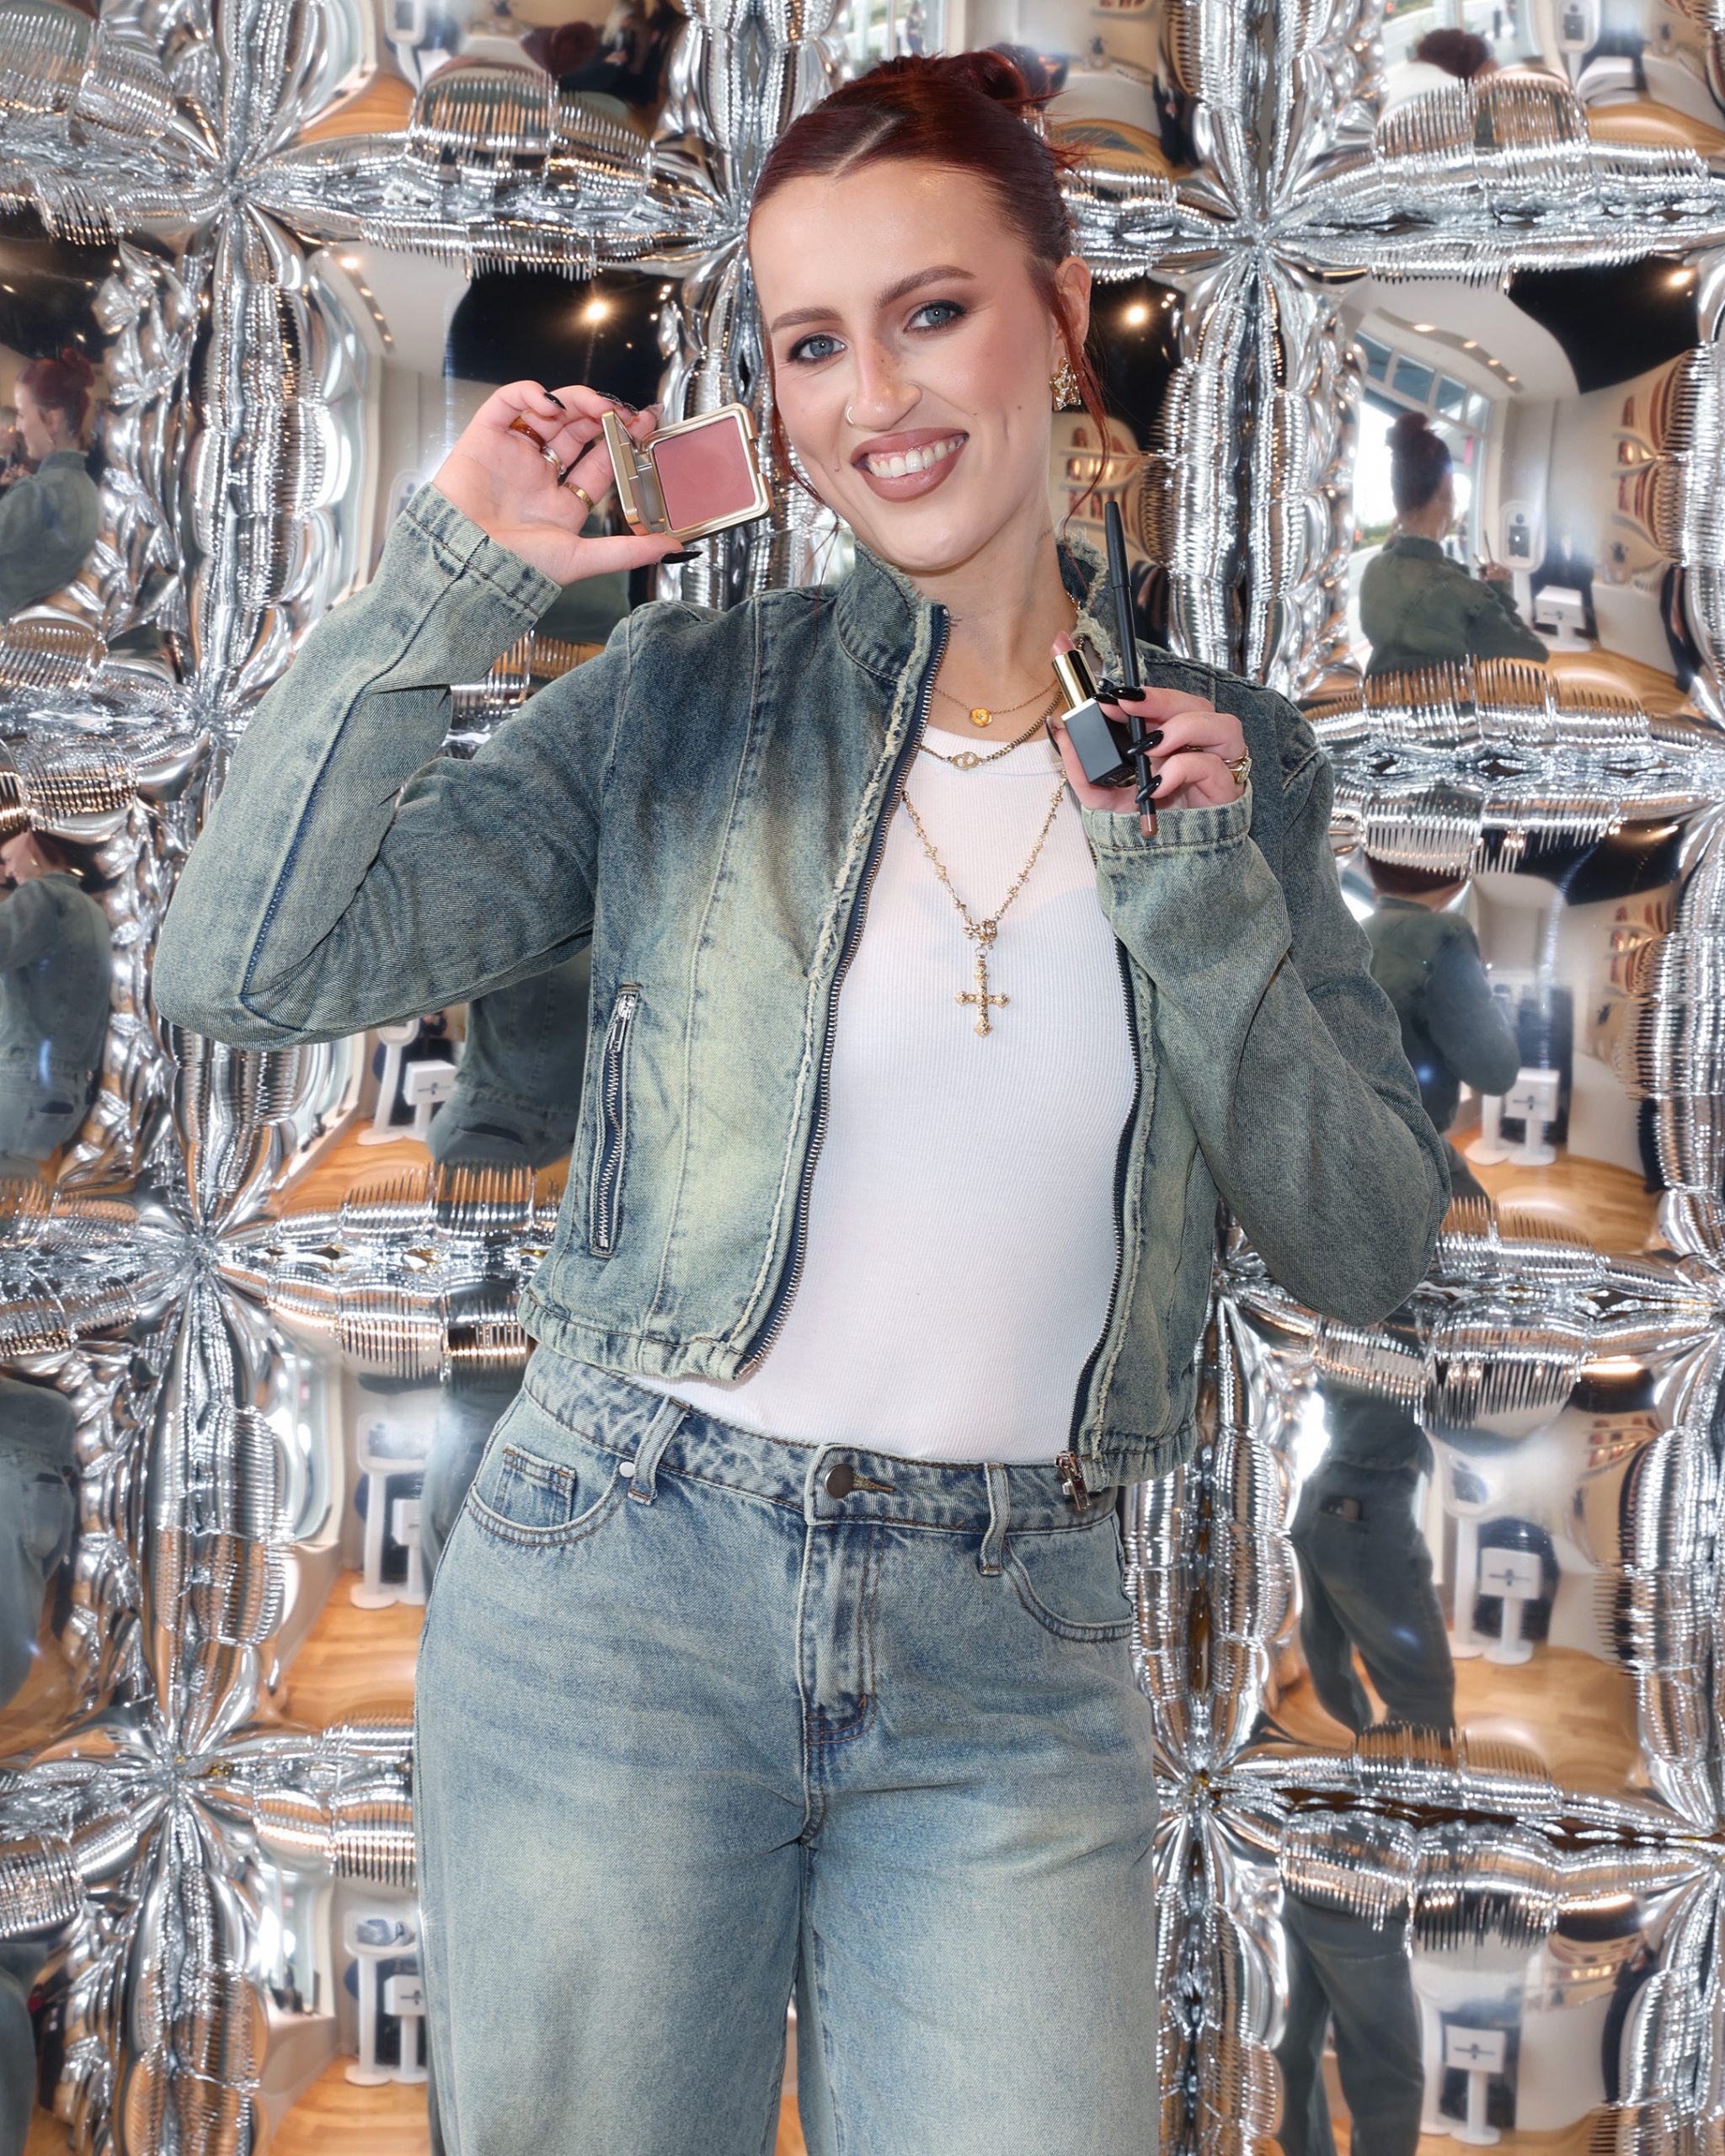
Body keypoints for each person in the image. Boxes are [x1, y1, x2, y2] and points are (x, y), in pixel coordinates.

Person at [152, 49, 1450, 2154]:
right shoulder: (678, 703)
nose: (876, 398)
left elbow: (1369, 1242)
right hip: (623, 1588)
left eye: (931, 311)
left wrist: (1203, 904)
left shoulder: (1235, 759)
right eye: (812, 343)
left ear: (1056, 309)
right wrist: (457, 579)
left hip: (1009, 1638)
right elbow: (245, 968)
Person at [1361, 853, 1522, 1202]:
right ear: (1457, 879)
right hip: (1406, 1147)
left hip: (1347, 1135)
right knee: (1476, 1220)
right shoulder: (1445, 935)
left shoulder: (1353, 931)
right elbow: (1496, 1072)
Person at [1359, 412, 1546, 678]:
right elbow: (1532, 653)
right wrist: (1500, 591)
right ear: (1446, 487)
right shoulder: (1464, 594)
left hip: (1377, 699)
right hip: (1447, 704)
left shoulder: (1374, 570)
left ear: (1396, 499)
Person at [0, 826, 111, 1181]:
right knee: (18, 1190)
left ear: (30, 841)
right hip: (64, 1090)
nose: (8, 871)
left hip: (23, 1082)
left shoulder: (43, 897)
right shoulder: (89, 909)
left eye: (8, 858)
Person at [0, 351, 100, 622]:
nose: (18, 427)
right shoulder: (88, 488)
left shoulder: (38, 494)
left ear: (52, 421)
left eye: (22, 414)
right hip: (50, 631)